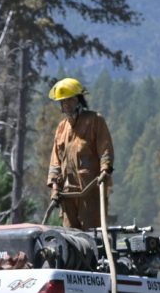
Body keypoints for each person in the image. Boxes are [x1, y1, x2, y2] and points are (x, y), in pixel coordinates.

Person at [46, 77, 114, 230]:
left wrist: (105, 170)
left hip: (90, 190)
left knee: (91, 234)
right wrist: (55, 187)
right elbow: (55, 162)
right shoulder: (61, 128)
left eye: (70, 100)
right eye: (63, 101)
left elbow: (105, 148)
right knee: (70, 236)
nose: (67, 104)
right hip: (67, 194)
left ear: (79, 99)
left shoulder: (95, 121)